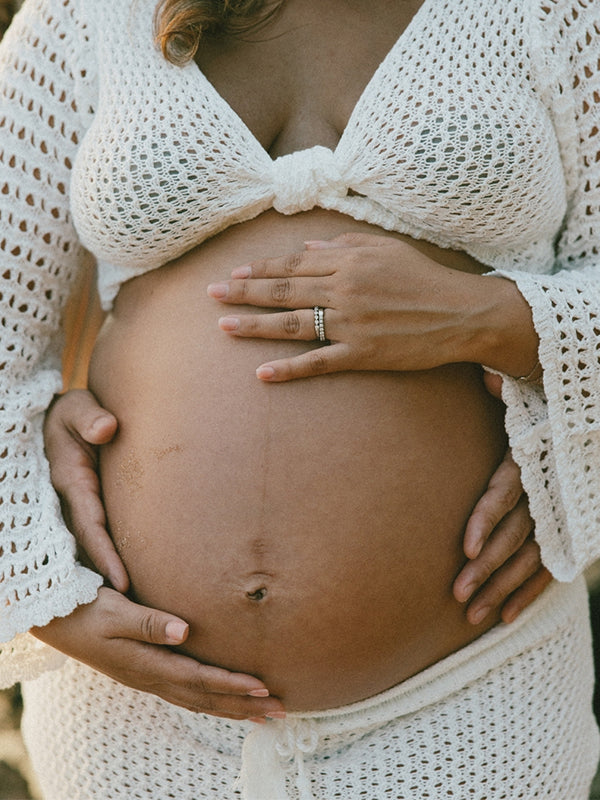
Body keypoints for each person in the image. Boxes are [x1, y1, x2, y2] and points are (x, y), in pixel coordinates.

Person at [0, 0, 599, 797]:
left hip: (473, 686)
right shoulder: (84, 16)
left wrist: (489, 318)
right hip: (133, 708)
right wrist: (41, 588)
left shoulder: (554, 13)